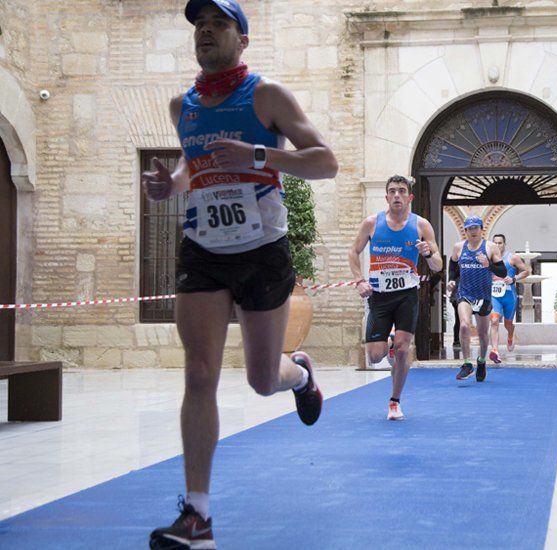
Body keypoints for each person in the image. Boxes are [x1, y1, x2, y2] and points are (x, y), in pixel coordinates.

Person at [140, 1, 338, 548]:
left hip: (261, 249)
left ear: (242, 40)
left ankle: (298, 372)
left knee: (260, 379)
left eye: (219, 23)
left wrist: (257, 156)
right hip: (203, 249)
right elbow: (190, 168)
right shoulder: (184, 106)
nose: (205, 31)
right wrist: (171, 185)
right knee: (199, 374)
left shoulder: (267, 96)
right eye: (199, 24)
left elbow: (325, 161)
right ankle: (197, 517)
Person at [348, 175, 442, 420]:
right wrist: (360, 280)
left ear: (409, 197)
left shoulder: (421, 225)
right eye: (392, 191)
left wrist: (428, 252)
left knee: (403, 349)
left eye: (402, 191)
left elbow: (437, 265)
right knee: (375, 356)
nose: (397, 195)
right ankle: (388, 345)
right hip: (379, 296)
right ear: (387, 197)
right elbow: (353, 252)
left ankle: (394, 401)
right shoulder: (372, 223)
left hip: (407, 295)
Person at [446, 216, 508, 382]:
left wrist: (489, 265)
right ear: (465, 231)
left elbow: (503, 272)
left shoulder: (490, 247)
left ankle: (481, 361)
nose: (473, 231)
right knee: (464, 325)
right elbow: (452, 266)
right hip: (464, 293)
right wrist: (451, 280)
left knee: (482, 334)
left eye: (476, 228)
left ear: (482, 229)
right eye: (469, 229)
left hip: (483, 296)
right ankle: (466, 363)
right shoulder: (459, 247)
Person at [487, 234, 529, 363]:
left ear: (505, 244)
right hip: (494, 295)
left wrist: (514, 279)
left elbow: (526, 271)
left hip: (509, 295)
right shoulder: (488, 259)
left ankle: (511, 334)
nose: (498, 245)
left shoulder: (512, 258)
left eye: (500, 243)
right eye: (495, 243)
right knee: (494, 321)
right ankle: (495, 350)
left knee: (508, 324)